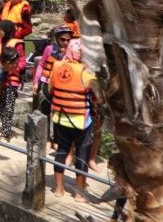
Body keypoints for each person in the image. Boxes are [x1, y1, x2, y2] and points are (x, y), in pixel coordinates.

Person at [49, 39, 96, 201]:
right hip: (81, 121)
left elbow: (50, 90)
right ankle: (79, 193)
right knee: (82, 154)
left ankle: (59, 188)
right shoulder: (87, 72)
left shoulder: (56, 66)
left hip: (60, 118)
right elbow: (98, 98)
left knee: (61, 151)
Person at [33, 25, 73, 144]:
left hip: (61, 87)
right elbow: (41, 64)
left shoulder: (73, 54)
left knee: (59, 115)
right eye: (62, 39)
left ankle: (56, 140)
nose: (65, 42)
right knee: (45, 112)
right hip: (46, 84)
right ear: (57, 39)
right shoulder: (49, 49)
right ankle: (47, 140)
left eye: (68, 40)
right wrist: (36, 82)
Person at [0, 19, 26, 141]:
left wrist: (11, 69)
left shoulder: (16, 44)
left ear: (7, 30)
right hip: (0, 78)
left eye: (0, 29)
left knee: (8, 106)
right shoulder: (0, 42)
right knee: (0, 105)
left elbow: (22, 61)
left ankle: (6, 133)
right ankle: (5, 129)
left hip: (11, 79)